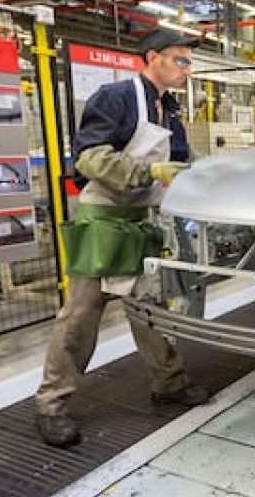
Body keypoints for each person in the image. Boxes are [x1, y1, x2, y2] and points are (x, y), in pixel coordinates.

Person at [35, 29, 209, 447]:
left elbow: (182, 161)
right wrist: (148, 172)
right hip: (104, 219)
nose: (187, 69)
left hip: (144, 221)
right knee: (81, 315)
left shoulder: (169, 111)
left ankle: (169, 383)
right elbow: (89, 157)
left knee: (150, 308)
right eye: (180, 60)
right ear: (152, 58)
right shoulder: (117, 98)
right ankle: (51, 405)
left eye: (189, 62)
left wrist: (210, 174)